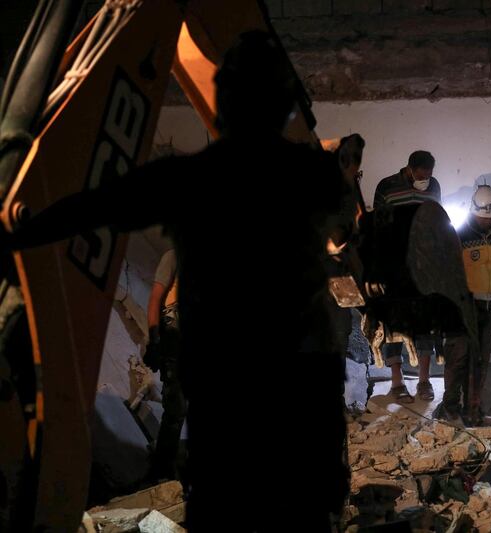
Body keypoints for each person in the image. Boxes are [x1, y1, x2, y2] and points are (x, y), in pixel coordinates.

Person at [4, 30, 364, 530]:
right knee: (304, 508)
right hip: (300, 385)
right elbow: (342, 212)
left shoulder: (188, 178)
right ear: (284, 104)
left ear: (223, 99)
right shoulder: (312, 175)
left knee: (224, 506)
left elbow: (97, 206)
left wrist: (23, 222)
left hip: (226, 387)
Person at [440, 185, 491, 425]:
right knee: (458, 356)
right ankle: (450, 407)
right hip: (461, 307)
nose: (486, 220)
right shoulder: (458, 233)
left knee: (481, 359)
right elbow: (447, 271)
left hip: (486, 305)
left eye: (490, 216)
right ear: (473, 210)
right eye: (483, 216)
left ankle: (473, 409)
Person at [373, 150, 441, 403]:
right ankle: (397, 381)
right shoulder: (387, 186)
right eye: (421, 175)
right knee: (395, 324)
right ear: (409, 169)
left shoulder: (434, 187)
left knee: (425, 323)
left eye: (429, 175)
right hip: (395, 268)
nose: (425, 179)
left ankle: (424, 381)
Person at [143, 249, 186, 483]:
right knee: (176, 411)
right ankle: (160, 473)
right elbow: (155, 298)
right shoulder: (174, 256)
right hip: (174, 338)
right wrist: (154, 340)